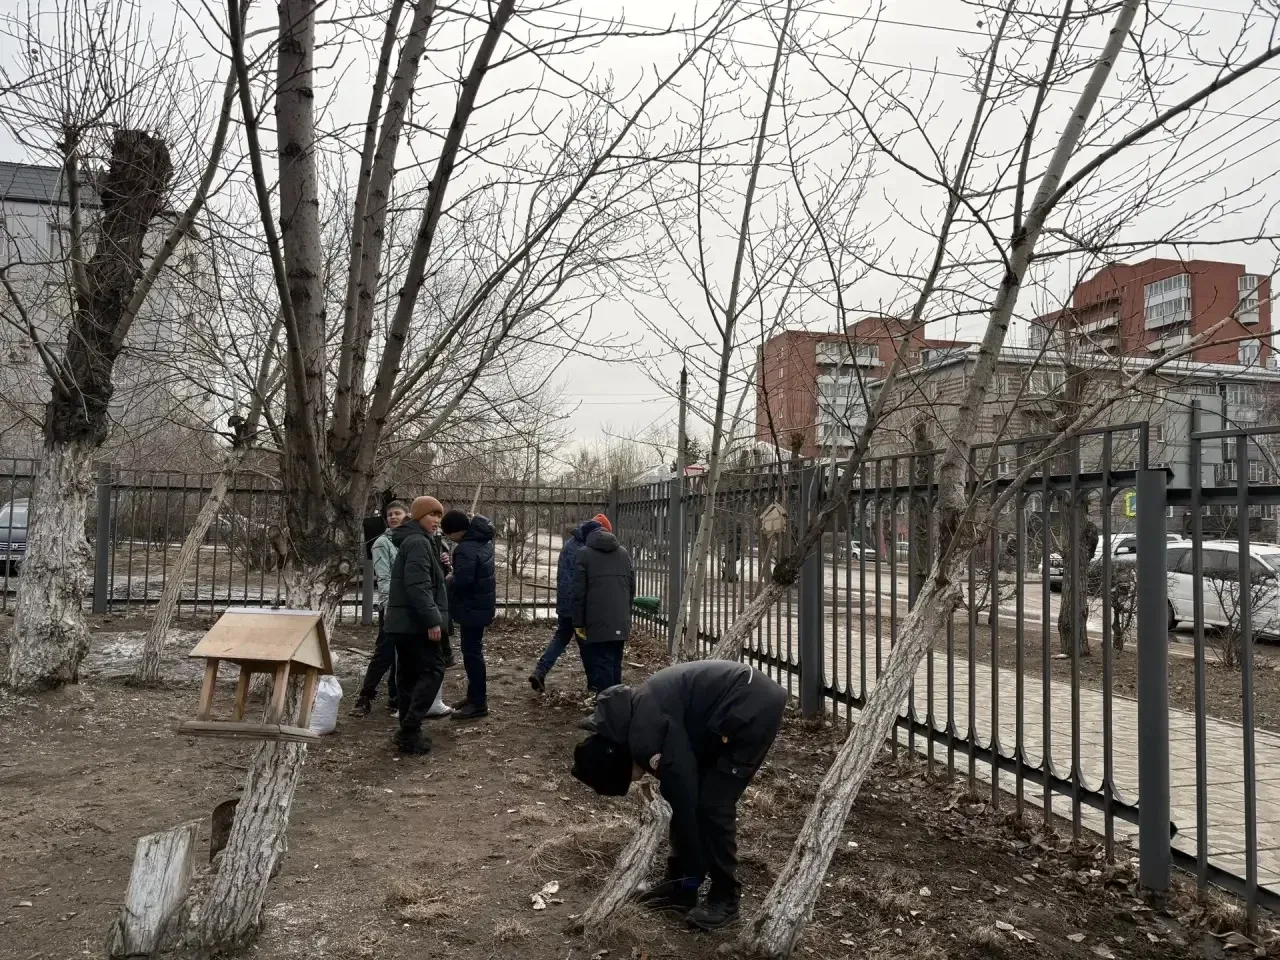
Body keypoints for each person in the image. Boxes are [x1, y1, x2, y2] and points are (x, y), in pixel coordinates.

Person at [571, 660, 787, 931]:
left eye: (626, 779)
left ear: (617, 763)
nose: (635, 780)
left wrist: (693, 868)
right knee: (687, 799)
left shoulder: (646, 737)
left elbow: (685, 803)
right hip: (733, 702)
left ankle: (725, 898)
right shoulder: (634, 716)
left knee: (713, 805)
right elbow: (679, 793)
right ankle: (680, 888)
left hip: (750, 707)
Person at [384, 495, 452, 754]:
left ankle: (408, 732)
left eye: (439, 516)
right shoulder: (417, 542)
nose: (437, 521)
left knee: (409, 676)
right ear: (419, 515)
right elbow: (418, 587)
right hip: (416, 624)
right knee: (433, 670)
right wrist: (433, 621)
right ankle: (409, 729)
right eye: (433, 515)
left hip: (405, 623)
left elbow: (426, 580)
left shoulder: (417, 540)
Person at [528, 517, 604, 693]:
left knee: (561, 637)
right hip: (579, 605)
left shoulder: (569, 544)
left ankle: (540, 671)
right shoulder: (588, 549)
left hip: (565, 601)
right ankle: (593, 684)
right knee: (585, 644)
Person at [351, 499, 407, 716]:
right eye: (390, 514)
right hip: (392, 605)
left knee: (402, 652)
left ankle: (395, 696)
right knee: (384, 652)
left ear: (406, 515)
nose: (393, 517)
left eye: (397, 513)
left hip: (407, 605)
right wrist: (388, 605)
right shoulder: (382, 543)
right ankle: (364, 698)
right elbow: (384, 577)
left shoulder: (409, 539)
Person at [442, 509, 496, 720]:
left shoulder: (465, 549)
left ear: (456, 531)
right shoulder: (483, 540)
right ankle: (473, 696)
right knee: (474, 652)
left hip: (471, 608)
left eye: (449, 534)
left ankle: (479, 703)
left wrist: (448, 579)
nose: (449, 538)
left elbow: (463, 581)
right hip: (481, 606)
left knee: (472, 655)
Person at [572, 513, 633, 695]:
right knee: (615, 662)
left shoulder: (584, 554)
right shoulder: (623, 553)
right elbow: (631, 588)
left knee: (602, 664)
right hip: (620, 619)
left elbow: (579, 593)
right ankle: (618, 703)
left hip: (597, 620)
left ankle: (606, 706)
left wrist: (578, 623)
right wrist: (626, 615)